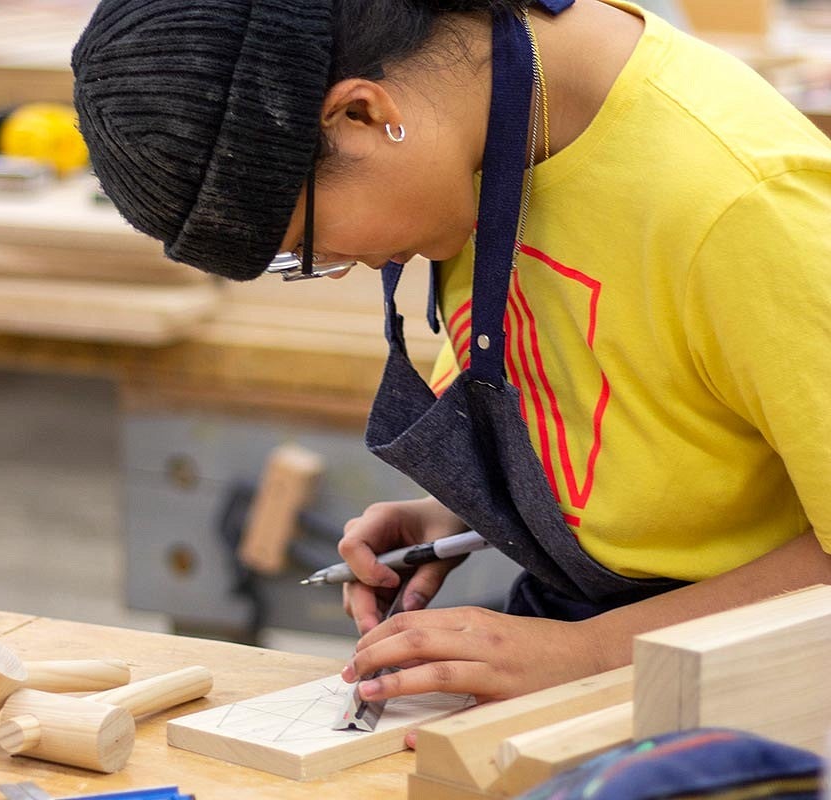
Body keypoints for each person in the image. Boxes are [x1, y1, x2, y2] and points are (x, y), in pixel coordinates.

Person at [72, 0, 831, 717]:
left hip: (771, 679)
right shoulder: (477, 124)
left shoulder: (745, 207)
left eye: (310, 247)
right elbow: (639, 388)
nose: (341, 265)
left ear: (365, 114)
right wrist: (472, 510)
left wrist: (593, 652)